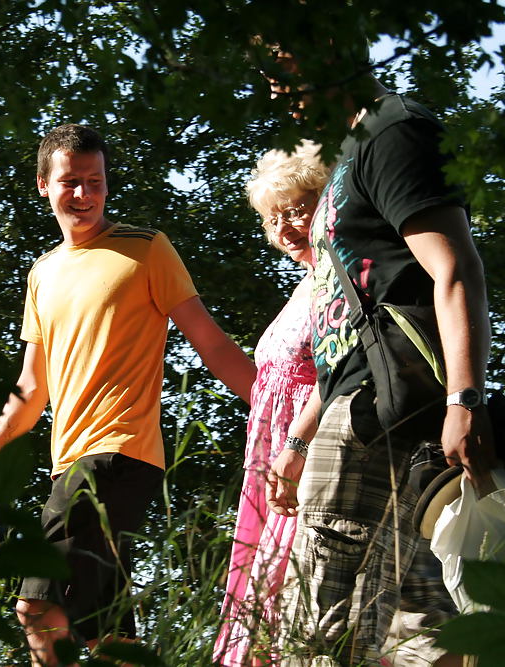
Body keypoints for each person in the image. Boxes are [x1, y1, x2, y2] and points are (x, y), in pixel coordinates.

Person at [0, 123, 257, 667]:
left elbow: (212, 344)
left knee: (37, 607)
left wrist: (278, 411)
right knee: (109, 638)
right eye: (70, 182)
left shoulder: (145, 249)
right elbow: (32, 389)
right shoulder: (43, 273)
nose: (83, 194)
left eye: (95, 182)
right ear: (43, 185)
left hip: (117, 453)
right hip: (69, 463)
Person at [265, 51, 495, 666]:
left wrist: (464, 399)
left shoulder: (392, 131)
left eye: (283, 60)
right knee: (419, 631)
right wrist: (296, 440)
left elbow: (455, 267)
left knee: (318, 632)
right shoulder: (348, 155)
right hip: (359, 405)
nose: (272, 84)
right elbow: (344, 336)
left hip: (382, 414)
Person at [214, 141, 329, 666]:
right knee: (265, 600)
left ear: (328, 202)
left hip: (304, 457)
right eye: (274, 217)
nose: (285, 227)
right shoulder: (306, 284)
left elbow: (340, 370)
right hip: (270, 466)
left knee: (297, 598)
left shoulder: (337, 278)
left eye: (298, 210)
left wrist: (295, 443)